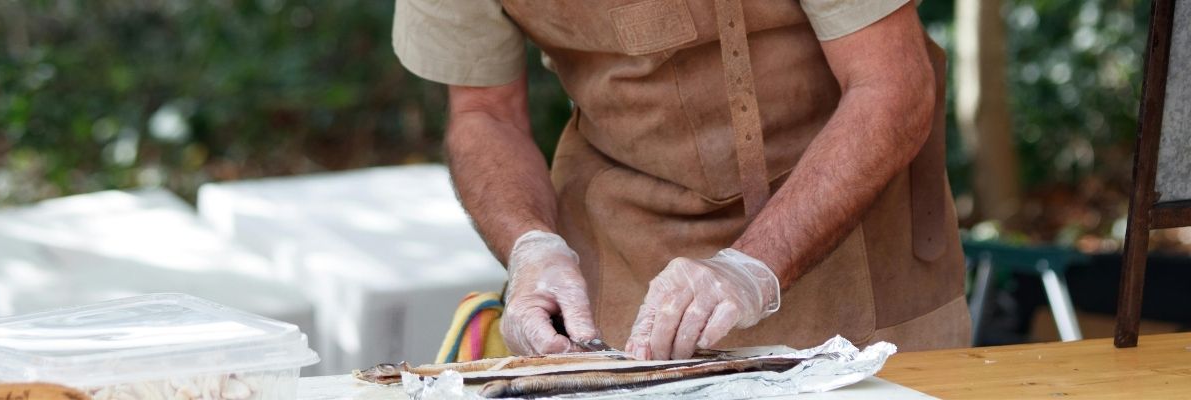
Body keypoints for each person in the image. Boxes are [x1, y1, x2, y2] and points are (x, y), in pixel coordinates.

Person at [393, 0, 971, 360]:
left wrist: (751, 268)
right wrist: (530, 245)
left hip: (850, 245)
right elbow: (485, 113)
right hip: (619, 244)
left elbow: (890, 84)